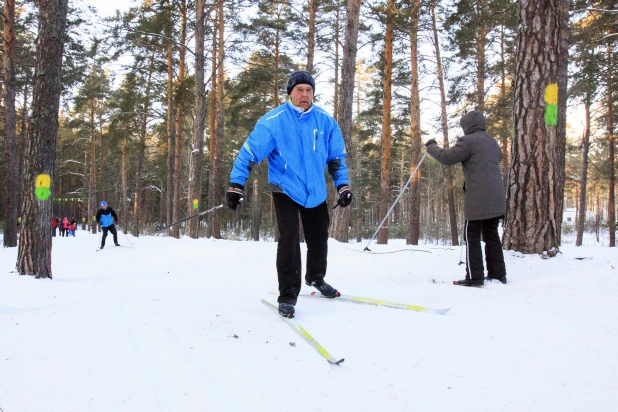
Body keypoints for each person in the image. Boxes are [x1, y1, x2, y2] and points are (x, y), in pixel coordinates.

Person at [226, 70, 353, 318]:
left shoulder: (325, 121)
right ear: (290, 93)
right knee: (289, 240)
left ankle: (315, 278)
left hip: (315, 190)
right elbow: (249, 154)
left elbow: (336, 158)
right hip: (284, 188)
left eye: (308, 90)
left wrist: (343, 185)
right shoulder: (273, 121)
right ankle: (287, 296)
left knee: (319, 237)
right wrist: (236, 185)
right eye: (299, 90)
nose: (304, 95)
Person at [425, 110, 507, 287]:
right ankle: (498, 274)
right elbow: (499, 157)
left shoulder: (468, 141)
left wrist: (432, 146)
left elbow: (447, 158)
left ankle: (475, 276)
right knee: (492, 234)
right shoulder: (492, 141)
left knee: (471, 235)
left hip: (478, 197)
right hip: (497, 196)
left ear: (467, 126)